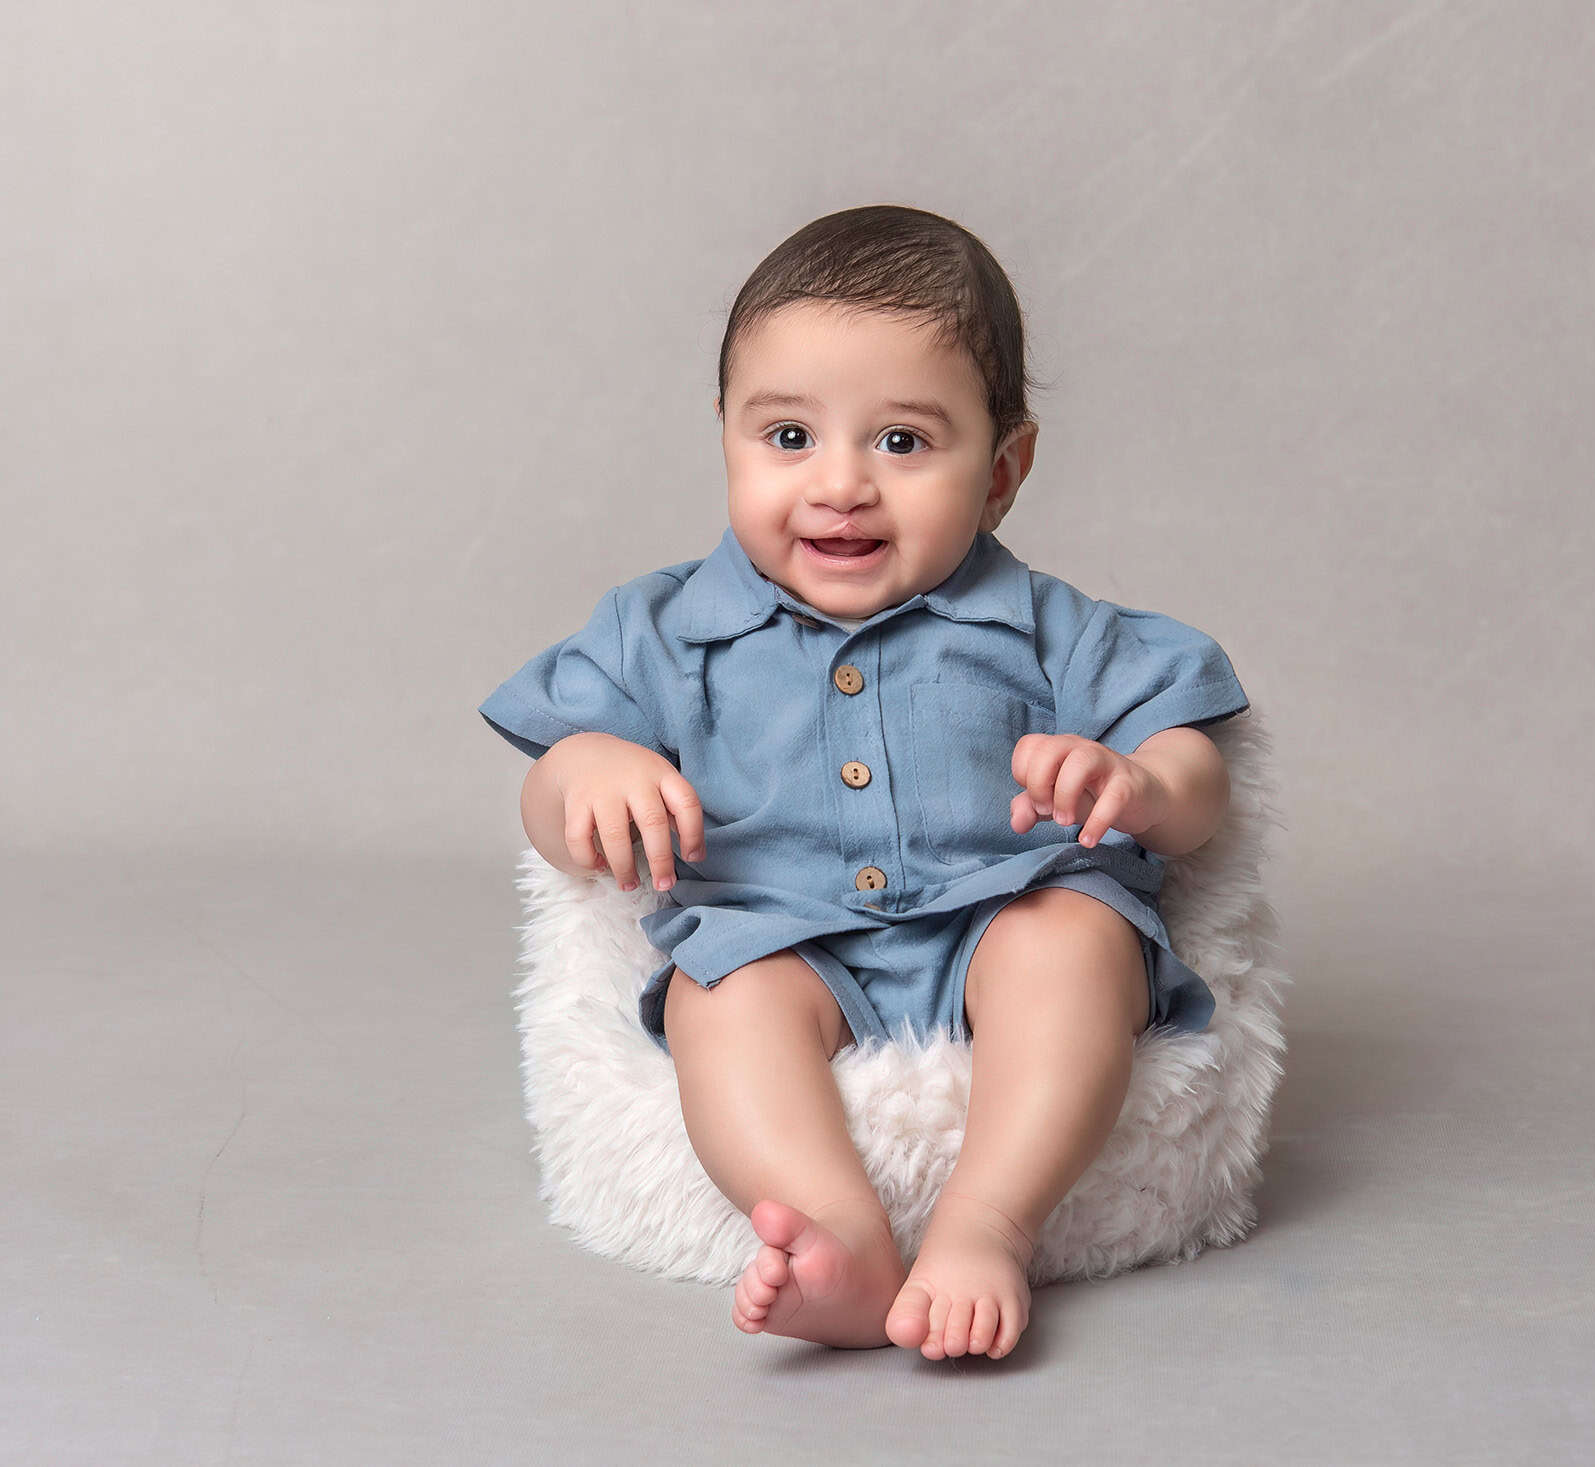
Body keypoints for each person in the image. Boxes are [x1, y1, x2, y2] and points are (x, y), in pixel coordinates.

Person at [479, 204, 1249, 1361]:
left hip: (999, 918)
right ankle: (833, 1235)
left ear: (1001, 471)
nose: (839, 484)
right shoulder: (662, 628)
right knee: (717, 999)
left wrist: (1134, 781)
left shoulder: (1046, 629)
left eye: (900, 442)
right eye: (787, 437)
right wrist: (586, 772)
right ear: (727, 435)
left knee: (1072, 940)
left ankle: (985, 1223)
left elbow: (1199, 781)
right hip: (783, 943)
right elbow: (549, 803)